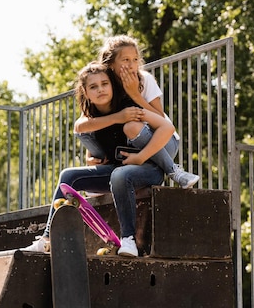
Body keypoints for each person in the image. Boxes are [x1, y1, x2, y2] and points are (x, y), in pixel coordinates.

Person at [21, 61, 176, 257]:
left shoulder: (128, 106)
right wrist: (116, 119)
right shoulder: (92, 115)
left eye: (105, 84)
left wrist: (140, 156)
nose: (100, 89)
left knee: (120, 174)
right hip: (116, 171)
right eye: (93, 87)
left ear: (112, 85)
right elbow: (79, 127)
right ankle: (46, 239)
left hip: (148, 169)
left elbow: (168, 127)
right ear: (85, 92)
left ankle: (128, 240)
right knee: (68, 175)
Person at [95, 34, 199, 189]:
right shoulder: (105, 86)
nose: (131, 65)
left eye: (135, 60)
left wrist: (135, 94)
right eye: (125, 60)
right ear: (111, 64)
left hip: (163, 142)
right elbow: (91, 122)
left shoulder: (145, 80)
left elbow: (160, 119)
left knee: (131, 126)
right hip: (131, 147)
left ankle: (174, 171)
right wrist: (91, 155)